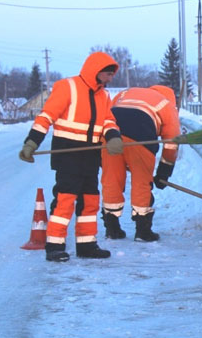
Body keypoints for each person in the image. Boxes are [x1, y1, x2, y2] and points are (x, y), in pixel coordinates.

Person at [18, 51, 124, 262]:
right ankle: (54, 246)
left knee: (90, 200)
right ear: (97, 71)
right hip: (67, 152)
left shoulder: (103, 95)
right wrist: (32, 142)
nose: (111, 79)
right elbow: (46, 116)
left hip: (91, 154)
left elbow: (108, 121)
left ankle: (86, 244)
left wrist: (113, 136)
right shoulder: (67, 87)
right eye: (109, 74)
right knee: (65, 200)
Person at [100, 85, 181, 242]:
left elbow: (107, 115)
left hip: (111, 133)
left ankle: (112, 228)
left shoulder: (126, 93)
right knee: (141, 181)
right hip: (141, 132)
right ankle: (142, 231)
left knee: (111, 179)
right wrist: (164, 172)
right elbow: (172, 142)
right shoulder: (167, 104)